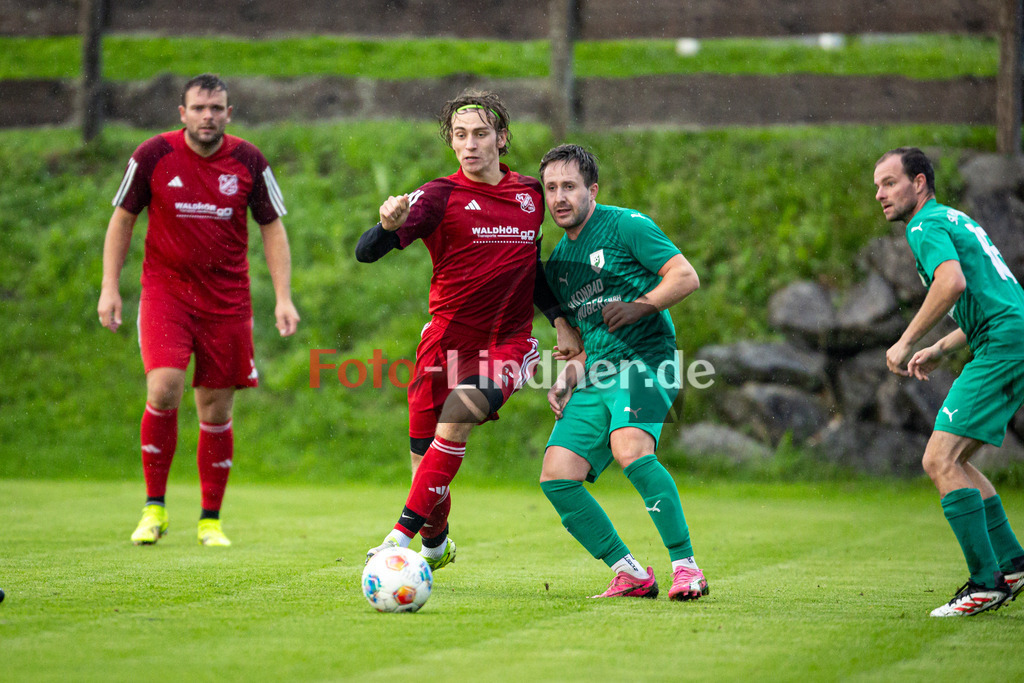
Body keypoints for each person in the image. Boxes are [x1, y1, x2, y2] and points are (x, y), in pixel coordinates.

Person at [355, 90, 581, 570]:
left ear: (502, 139)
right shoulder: (438, 196)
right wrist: (384, 223)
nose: (470, 144)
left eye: (480, 134)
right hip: (441, 346)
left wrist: (561, 321)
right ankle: (436, 546)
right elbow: (366, 252)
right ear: (451, 144)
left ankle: (396, 539)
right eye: (460, 136)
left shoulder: (530, 196)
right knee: (425, 470)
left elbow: (531, 268)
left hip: (507, 344)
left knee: (457, 418)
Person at [99, 74, 300, 547]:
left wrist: (284, 296)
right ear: (182, 112)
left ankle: (210, 519)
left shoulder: (249, 160)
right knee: (164, 386)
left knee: (216, 406)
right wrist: (110, 287)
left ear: (229, 114)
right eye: (199, 107)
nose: (208, 115)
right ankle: (155, 508)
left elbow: (273, 228)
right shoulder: (153, 155)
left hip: (227, 300)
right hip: (166, 293)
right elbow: (122, 219)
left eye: (217, 108)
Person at [538, 144, 706, 600]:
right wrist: (567, 376)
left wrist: (640, 306)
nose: (559, 197)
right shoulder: (559, 265)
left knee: (629, 446)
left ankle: (686, 566)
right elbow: (585, 343)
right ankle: (629, 571)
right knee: (557, 475)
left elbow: (685, 276)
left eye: (569, 186)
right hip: (600, 371)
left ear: (592, 189)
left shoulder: (625, 225)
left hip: (650, 359)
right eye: (551, 188)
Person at [876, 146, 1024, 616]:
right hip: (1007, 334)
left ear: (919, 182)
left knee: (938, 460)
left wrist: (906, 340)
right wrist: (941, 347)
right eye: (877, 186)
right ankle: (1013, 564)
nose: (880, 194)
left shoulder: (924, 225)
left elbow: (952, 283)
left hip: (1003, 342)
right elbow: (992, 294)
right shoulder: (954, 219)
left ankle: (985, 583)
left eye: (890, 182)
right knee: (957, 460)